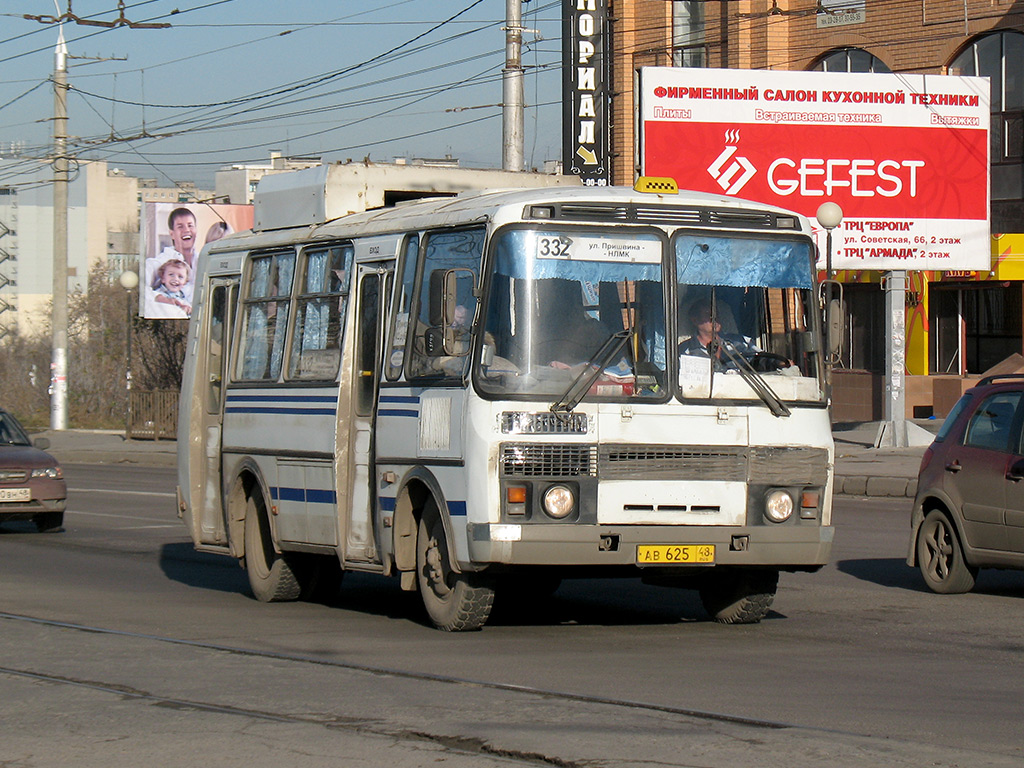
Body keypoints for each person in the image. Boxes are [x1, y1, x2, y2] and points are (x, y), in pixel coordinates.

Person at [679, 298, 757, 364]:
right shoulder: (684, 351)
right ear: (695, 320)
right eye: (709, 315)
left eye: (716, 313)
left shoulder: (742, 342)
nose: (714, 318)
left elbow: (765, 363)